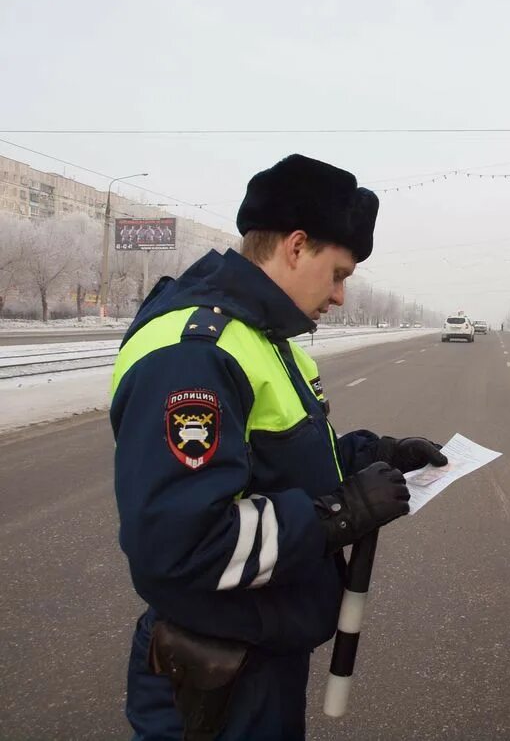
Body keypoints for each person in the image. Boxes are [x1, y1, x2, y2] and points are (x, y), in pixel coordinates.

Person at [110, 154, 447, 740]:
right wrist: (340, 514)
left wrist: (374, 455)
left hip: (259, 654)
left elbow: (280, 463)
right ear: (295, 247)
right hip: (214, 675)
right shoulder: (198, 351)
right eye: (338, 273)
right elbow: (180, 543)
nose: (341, 295)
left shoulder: (265, 337)